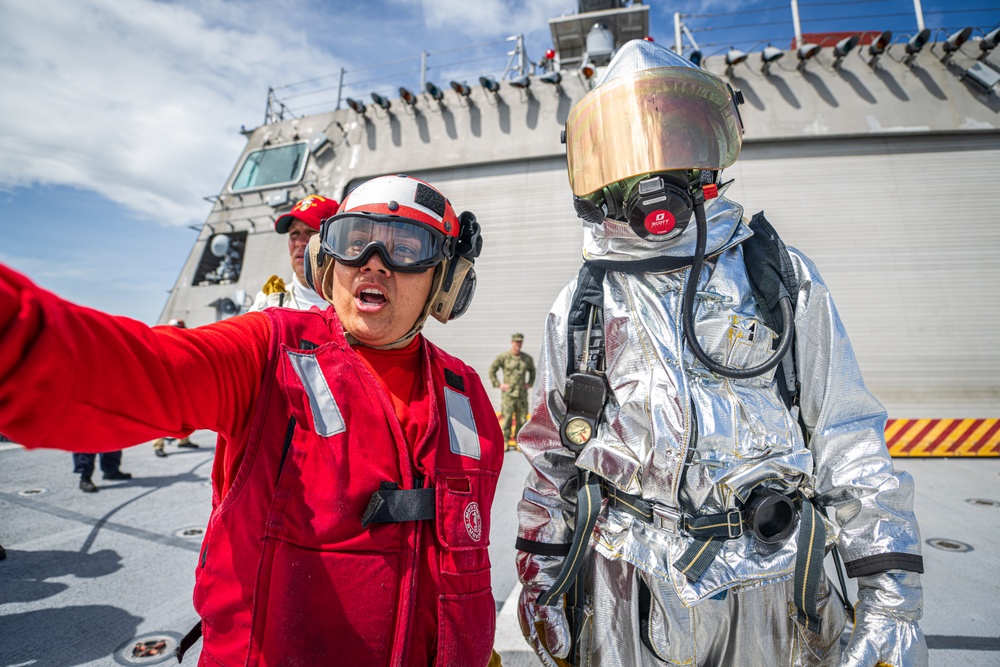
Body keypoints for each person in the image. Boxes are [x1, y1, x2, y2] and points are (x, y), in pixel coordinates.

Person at [514, 41, 926, 667]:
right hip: (627, 592)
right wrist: (541, 585)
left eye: (671, 142)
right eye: (627, 150)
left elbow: (848, 440)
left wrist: (890, 602)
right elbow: (551, 465)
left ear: (708, 152)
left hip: (776, 590)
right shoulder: (582, 304)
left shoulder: (778, 278)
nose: (652, 173)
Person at [0, 175, 504, 666]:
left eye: (406, 247)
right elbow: (126, 368)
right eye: (355, 242)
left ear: (446, 278)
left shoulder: (468, 398)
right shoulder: (268, 352)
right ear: (327, 260)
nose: (374, 265)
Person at [248, 193, 338, 312]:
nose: (299, 242)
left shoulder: (356, 304)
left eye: (311, 232)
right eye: (294, 234)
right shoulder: (267, 304)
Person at [152, 319, 199, 458]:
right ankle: (158, 445)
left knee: (186, 414)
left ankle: (184, 440)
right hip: (165, 386)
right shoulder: (159, 343)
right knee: (162, 417)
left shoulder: (186, 344)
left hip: (181, 385)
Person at [488, 333, 535, 451]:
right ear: (512, 342)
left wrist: (529, 383)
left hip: (521, 395)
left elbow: (533, 371)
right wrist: (499, 384)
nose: (518, 344)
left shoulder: (526, 358)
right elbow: (492, 370)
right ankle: (505, 441)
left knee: (522, 419)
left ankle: (519, 442)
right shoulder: (504, 357)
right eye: (516, 342)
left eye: (520, 342)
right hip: (508, 395)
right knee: (507, 419)